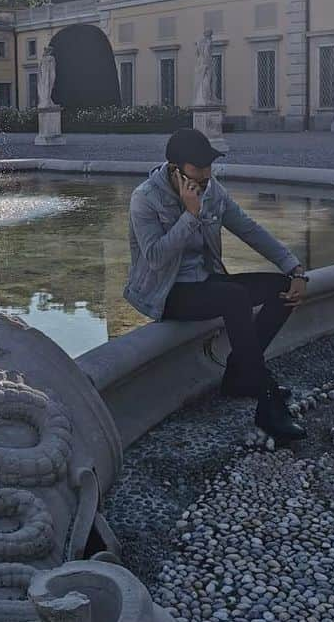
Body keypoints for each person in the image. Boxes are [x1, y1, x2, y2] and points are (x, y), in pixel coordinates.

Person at [124, 127, 308, 442]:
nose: (204, 180)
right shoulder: (145, 199)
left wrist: (294, 268)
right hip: (166, 293)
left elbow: (249, 229)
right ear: (175, 170)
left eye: (208, 173)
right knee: (234, 298)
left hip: (205, 283)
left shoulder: (211, 190)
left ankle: (239, 375)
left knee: (282, 288)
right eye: (197, 173)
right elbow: (154, 257)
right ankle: (266, 401)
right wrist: (190, 216)